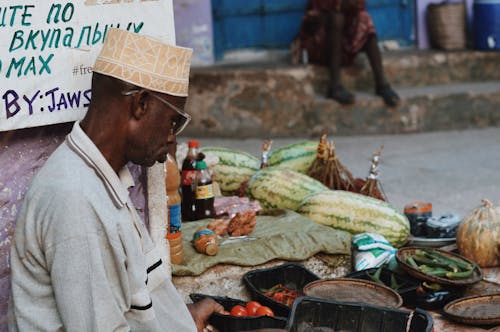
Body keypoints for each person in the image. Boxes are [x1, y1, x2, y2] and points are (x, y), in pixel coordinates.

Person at [7, 28, 284, 332]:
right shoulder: (75, 200)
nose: (172, 140)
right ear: (141, 104)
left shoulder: (100, 178)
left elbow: (129, 306)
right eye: (173, 121)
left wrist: (183, 318)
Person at [295, 0, 400, 107]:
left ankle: (381, 85)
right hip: (319, 42)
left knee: (364, 17)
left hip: (343, 45)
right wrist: (341, 4)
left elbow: (359, 5)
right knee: (337, 18)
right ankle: (334, 87)